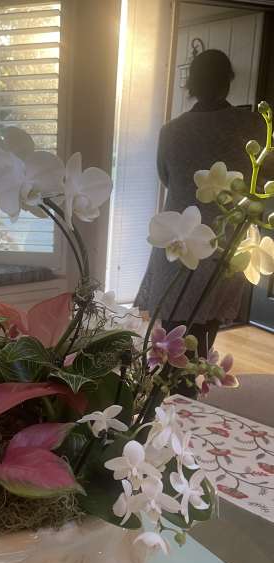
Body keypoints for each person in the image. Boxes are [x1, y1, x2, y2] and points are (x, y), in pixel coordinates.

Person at [135, 49, 269, 357]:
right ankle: (189, 382)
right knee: (203, 334)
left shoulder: (172, 131)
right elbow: (263, 176)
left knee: (170, 339)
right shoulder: (254, 126)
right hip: (223, 241)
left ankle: (174, 385)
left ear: (191, 84)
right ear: (228, 81)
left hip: (178, 237)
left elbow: (167, 177)